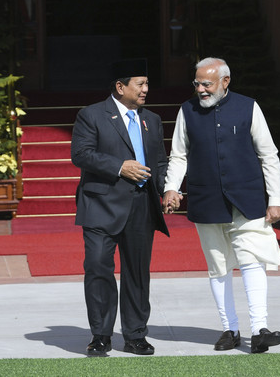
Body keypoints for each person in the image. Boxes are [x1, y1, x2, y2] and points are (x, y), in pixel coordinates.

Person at [163, 57, 280, 354]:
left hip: (247, 199)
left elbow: (268, 155)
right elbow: (179, 155)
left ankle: (260, 329)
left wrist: (276, 200)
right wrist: (171, 188)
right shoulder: (187, 110)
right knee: (217, 266)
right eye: (197, 84)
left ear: (225, 81)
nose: (201, 90)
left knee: (252, 260)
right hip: (207, 201)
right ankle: (229, 330)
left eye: (207, 83)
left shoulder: (249, 106)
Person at [71, 58, 169, 356]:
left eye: (147, 84)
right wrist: (119, 167)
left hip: (141, 205)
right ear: (120, 86)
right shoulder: (91, 115)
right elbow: (81, 154)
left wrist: (168, 190)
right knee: (98, 266)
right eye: (140, 84)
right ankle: (101, 335)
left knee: (137, 273)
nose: (146, 90)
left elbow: (160, 162)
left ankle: (135, 335)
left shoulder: (151, 120)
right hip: (101, 204)